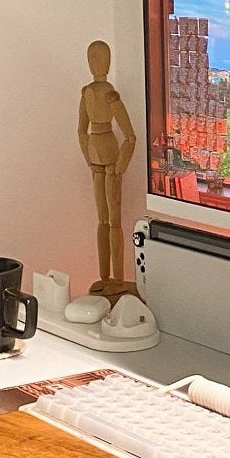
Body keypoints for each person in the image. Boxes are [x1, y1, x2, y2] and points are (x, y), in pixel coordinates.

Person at [77, 41, 136, 296]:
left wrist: (119, 166)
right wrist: (88, 158)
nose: (96, 62)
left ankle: (119, 279)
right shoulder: (87, 92)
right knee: (102, 220)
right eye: (92, 57)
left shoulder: (110, 94)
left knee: (114, 221)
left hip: (111, 161)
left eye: (100, 58)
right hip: (97, 160)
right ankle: (104, 276)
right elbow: (81, 129)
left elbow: (130, 136)